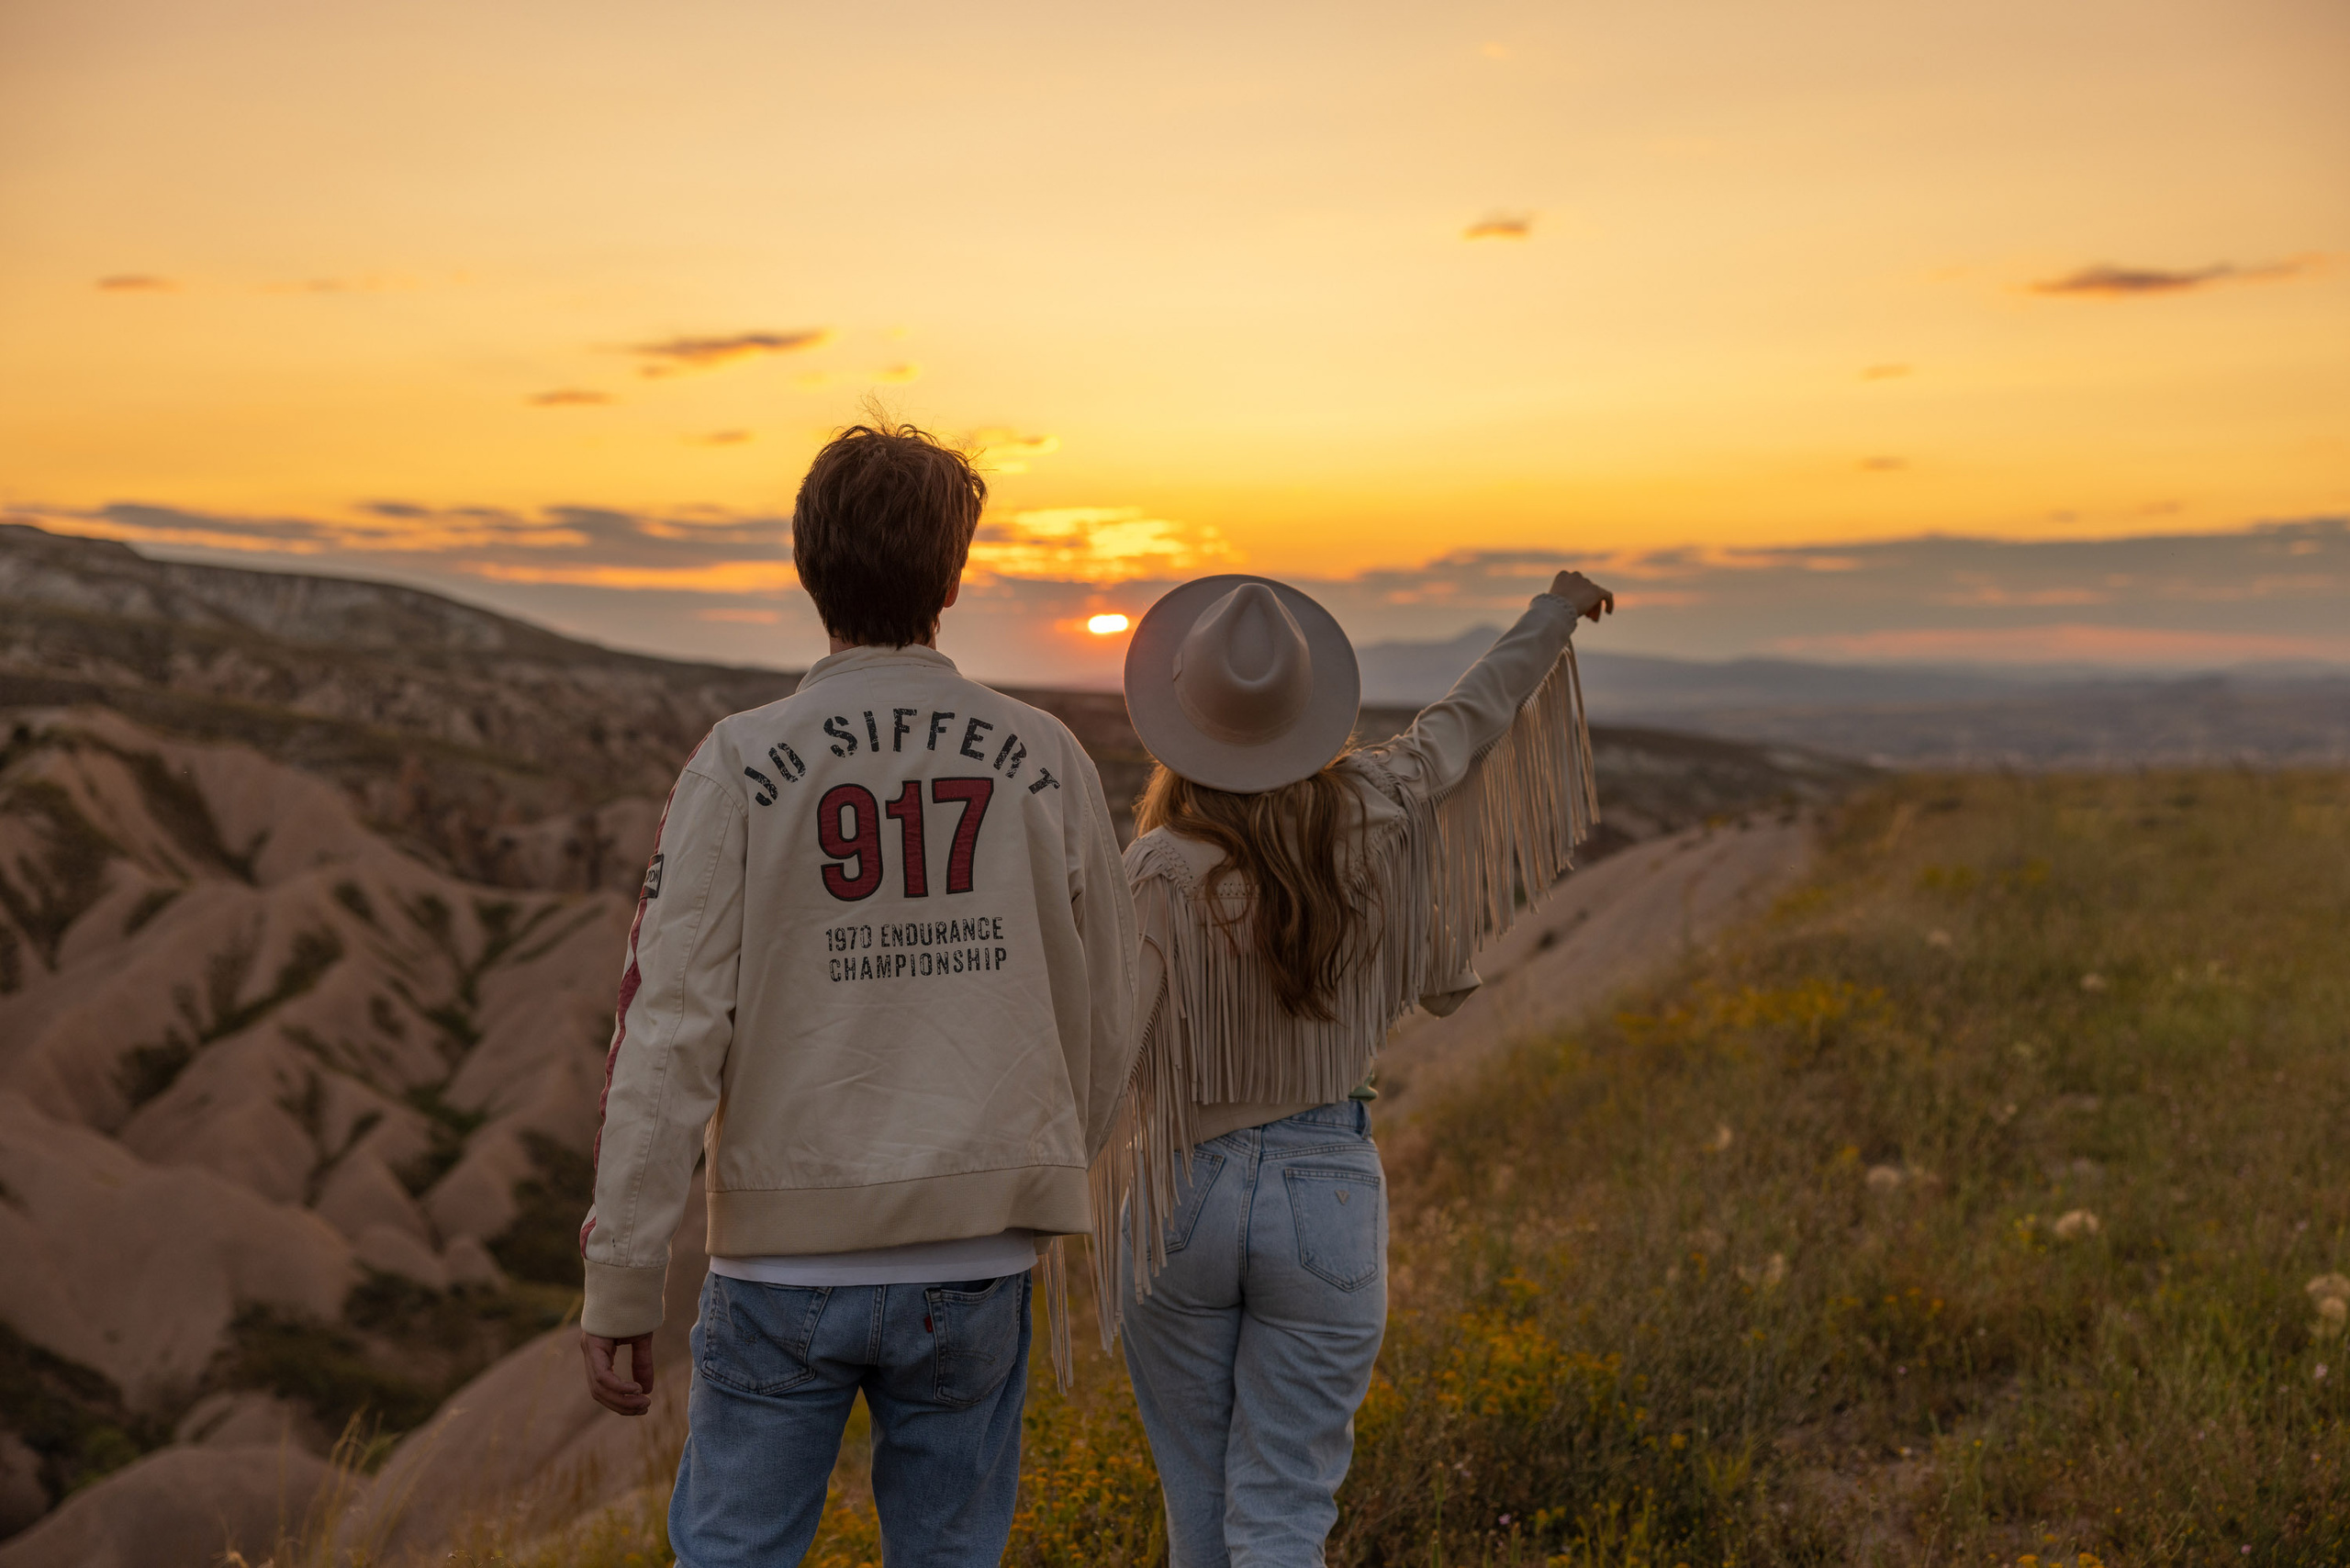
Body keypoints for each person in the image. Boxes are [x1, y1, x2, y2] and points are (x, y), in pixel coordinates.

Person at [576, 419, 1137, 1568]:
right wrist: (1036, 1166)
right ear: (952, 573)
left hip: (782, 1266)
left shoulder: (739, 761)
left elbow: (667, 1031)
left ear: (805, 563)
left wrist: (623, 1272)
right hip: (974, 1259)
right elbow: (1111, 1004)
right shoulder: (1046, 757)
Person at [1093, 567, 1615, 1567]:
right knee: (1284, 1507)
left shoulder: (1155, 871)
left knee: (1197, 1506)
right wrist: (1553, 611)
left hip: (1176, 1197)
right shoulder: (1378, 806)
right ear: (1307, 710)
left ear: (1180, 722)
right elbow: (1475, 713)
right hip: (1324, 1184)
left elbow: (1103, 1054)